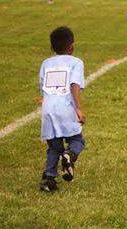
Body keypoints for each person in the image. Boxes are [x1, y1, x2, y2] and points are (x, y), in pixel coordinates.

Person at [39, 26, 85, 192]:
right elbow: (74, 84)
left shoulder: (46, 63)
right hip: (66, 108)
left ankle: (48, 179)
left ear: (52, 48)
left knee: (54, 147)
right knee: (77, 140)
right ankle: (70, 155)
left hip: (48, 109)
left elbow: (42, 89)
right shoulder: (76, 62)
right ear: (72, 46)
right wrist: (78, 108)